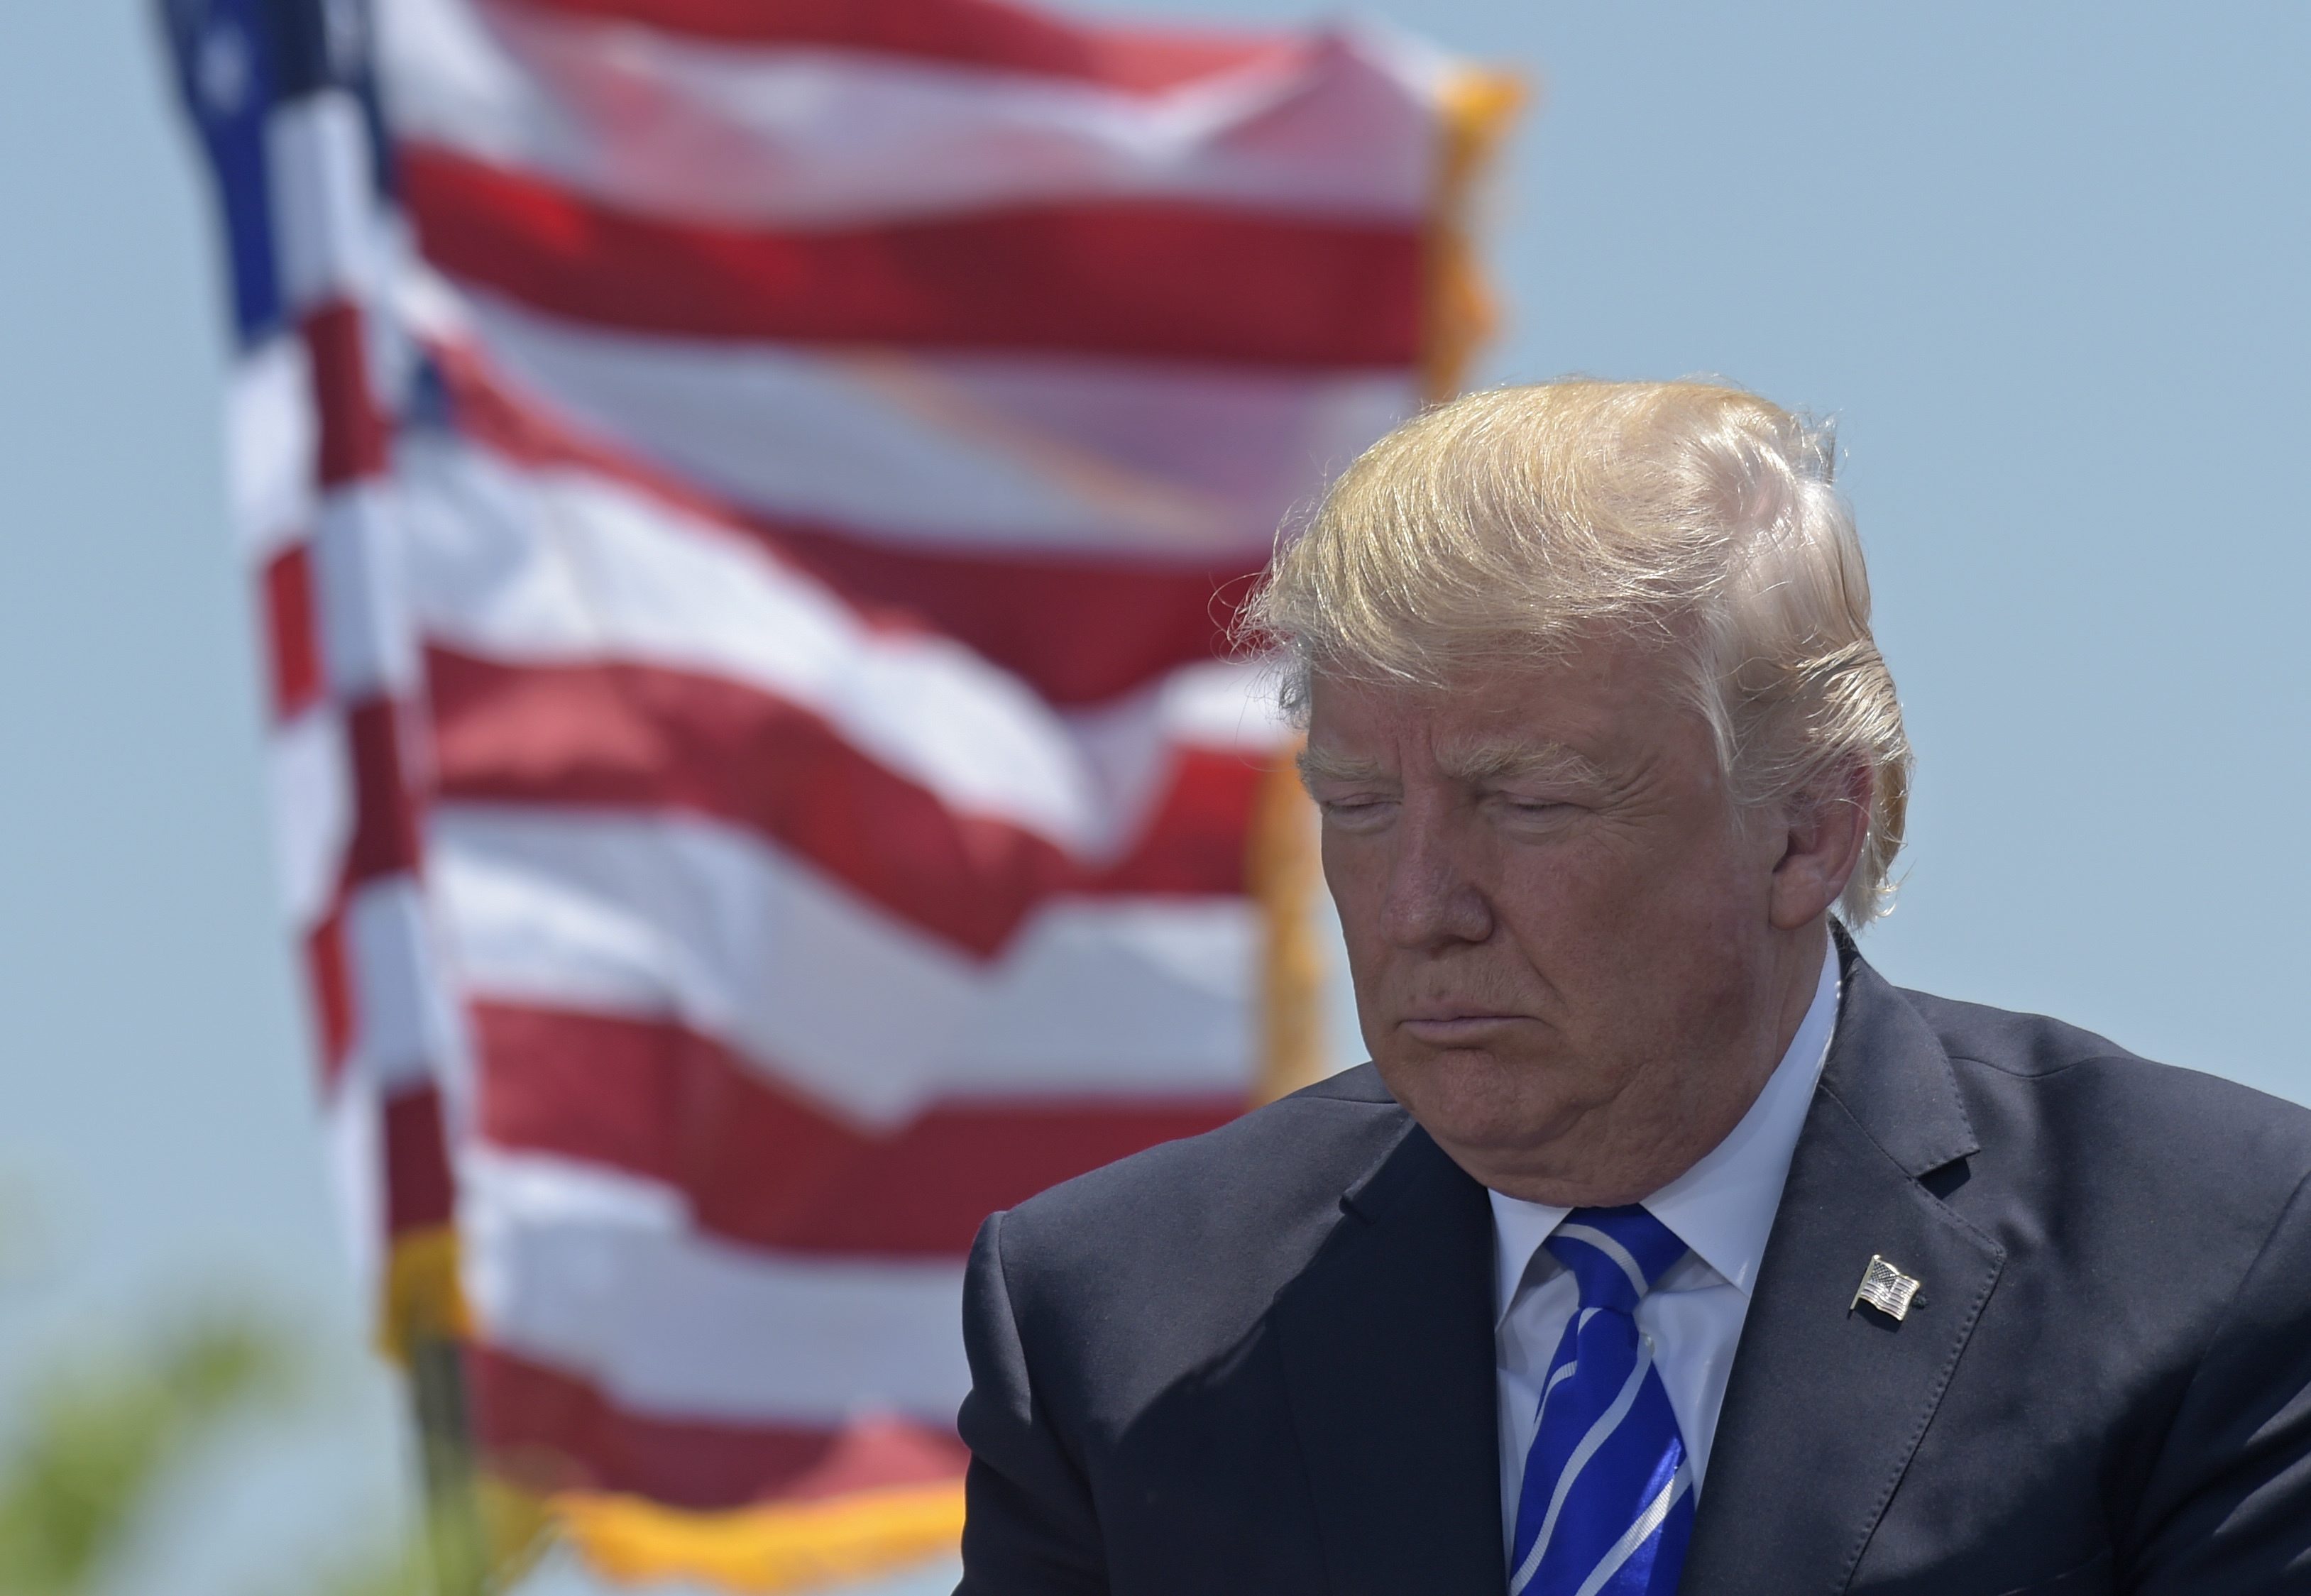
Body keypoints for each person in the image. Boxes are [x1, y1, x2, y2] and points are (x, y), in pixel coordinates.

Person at [950, 381, 2311, 1595]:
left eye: (1528, 802)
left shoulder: (2214, 1259)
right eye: (1357, 805)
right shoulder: (1113, 1322)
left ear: (1807, 829)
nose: (1421, 906)